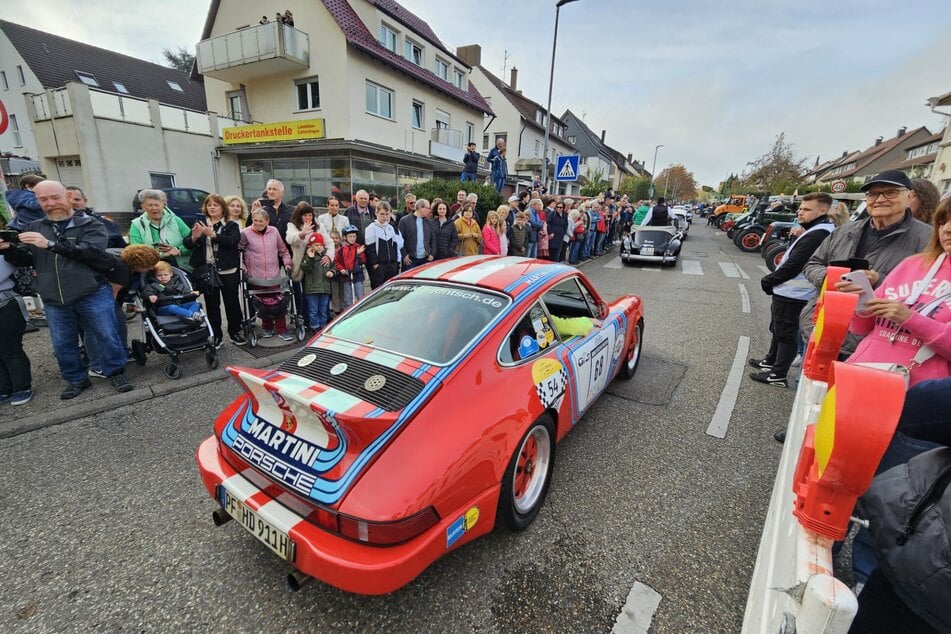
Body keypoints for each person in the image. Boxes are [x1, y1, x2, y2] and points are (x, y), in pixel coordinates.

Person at [0, 180, 133, 398]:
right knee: (62, 343)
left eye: (55, 197)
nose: (51, 203)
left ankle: (115, 372)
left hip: (92, 292)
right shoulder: (35, 227)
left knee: (107, 335)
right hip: (54, 297)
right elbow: (27, 260)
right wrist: (8, 250)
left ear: (68, 197)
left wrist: (51, 245)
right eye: (44, 199)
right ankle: (76, 379)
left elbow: (91, 252)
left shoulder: (90, 224)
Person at [800, 170, 933, 356]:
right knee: (809, 384)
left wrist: (879, 281)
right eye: (873, 194)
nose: (880, 199)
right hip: (824, 326)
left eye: (890, 192)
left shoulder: (928, 239)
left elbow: (933, 290)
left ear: (909, 196)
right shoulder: (845, 231)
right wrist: (833, 278)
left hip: (875, 341)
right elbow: (813, 264)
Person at [749, 193, 836, 388]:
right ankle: (771, 361)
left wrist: (769, 280)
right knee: (778, 330)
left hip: (795, 294)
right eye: (801, 208)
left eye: (806, 209)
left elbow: (795, 264)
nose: (800, 212)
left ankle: (777, 375)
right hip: (788, 292)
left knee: (785, 334)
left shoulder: (819, 233)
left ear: (822, 210)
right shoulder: (815, 229)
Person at [183, 193, 245, 347]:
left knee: (232, 302)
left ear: (222, 208)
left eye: (215, 205)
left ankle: (235, 331)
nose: (212, 207)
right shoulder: (200, 223)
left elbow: (233, 242)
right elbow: (187, 244)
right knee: (212, 304)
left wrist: (213, 235)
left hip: (228, 270)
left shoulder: (230, 225)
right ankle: (216, 335)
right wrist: (194, 237)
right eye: (209, 204)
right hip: (207, 271)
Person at [239, 208, 293, 340]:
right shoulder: (245, 233)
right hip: (255, 275)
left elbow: (283, 250)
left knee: (278, 303)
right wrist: (242, 266)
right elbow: (238, 252)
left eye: (261, 221)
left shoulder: (274, 232)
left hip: (273, 275)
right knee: (263, 304)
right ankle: (267, 327)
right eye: (255, 220)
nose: (257, 223)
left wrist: (287, 262)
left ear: (267, 221)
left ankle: (282, 329)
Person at [129, 188, 192, 271]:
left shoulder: (176, 220)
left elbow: (192, 243)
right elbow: (136, 251)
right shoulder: (136, 224)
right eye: (150, 205)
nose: (154, 208)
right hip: (151, 269)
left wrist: (178, 250)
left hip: (180, 268)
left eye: (157, 205)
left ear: (163, 205)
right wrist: (163, 254)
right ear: (143, 207)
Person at [0, 250, 32, 406]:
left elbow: (22, 260)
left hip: (5, 304)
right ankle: (4, 388)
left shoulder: (5, 251)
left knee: (10, 348)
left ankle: (22, 387)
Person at [298, 233, 334, 330]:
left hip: (324, 288)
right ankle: (314, 326)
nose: (319, 247)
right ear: (310, 246)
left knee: (323, 309)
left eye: (321, 245)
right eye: (316, 245)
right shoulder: (308, 256)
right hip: (312, 289)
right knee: (313, 309)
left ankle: (323, 326)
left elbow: (333, 265)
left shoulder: (326, 256)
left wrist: (332, 271)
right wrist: (310, 258)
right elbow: (305, 268)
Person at [364, 203, 400, 289]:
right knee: (378, 290)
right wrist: (375, 264)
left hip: (391, 265)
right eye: (382, 214)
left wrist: (396, 263)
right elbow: (370, 248)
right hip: (379, 266)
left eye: (387, 214)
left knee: (391, 291)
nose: (385, 216)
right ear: (376, 213)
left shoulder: (391, 227)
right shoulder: (371, 228)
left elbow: (394, 247)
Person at [334, 226, 366, 309]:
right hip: (346, 275)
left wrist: (358, 254)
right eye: (350, 236)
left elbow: (363, 260)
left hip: (357, 274)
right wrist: (341, 269)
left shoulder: (358, 247)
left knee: (360, 296)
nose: (352, 238)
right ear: (345, 237)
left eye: (354, 236)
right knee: (348, 297)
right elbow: (337, 262)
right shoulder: (341, 250)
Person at [398, 197, 433, 270]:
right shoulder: (404, 221)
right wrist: (404, 255)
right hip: (410, 260)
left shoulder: (429, 222)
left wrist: (432, 254)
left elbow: (433, 239)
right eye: (428, 208)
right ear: (420, 208)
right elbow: (399, 239)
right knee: (408, 281)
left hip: (425, 260)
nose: (429, 211)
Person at [260, 179, 294, 247]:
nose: (271, 192)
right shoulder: (262, 211)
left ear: (282, 193)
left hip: (288, 250)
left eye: (274, 189)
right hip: (268, 249)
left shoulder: (292, 210)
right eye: (269, 189)